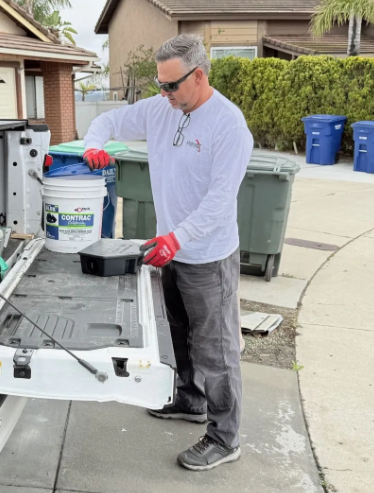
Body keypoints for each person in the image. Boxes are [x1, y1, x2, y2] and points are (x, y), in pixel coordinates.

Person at [82, 34, 253, 472]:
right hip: (169, 250)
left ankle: (224, 436)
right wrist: (92, 146)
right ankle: (189, 400)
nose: (163, 93)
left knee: (215, 350)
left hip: (208, 256)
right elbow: (108, 122)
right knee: (177, 336)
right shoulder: (162, 110)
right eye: (159, 84)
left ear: (198, 76)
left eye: (171, 85)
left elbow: (219, 201)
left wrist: (179, 238)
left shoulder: (228, 125)